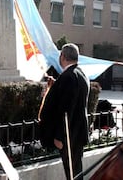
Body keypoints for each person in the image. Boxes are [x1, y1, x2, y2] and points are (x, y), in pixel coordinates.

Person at [38, 43, 90, 179]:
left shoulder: (68, 76)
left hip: (69, 134)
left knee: (72, 172)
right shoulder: (80, 73)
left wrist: (60, 137)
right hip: (77, 132)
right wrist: (56, 85)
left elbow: (66, 109)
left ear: (62, 56)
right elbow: (72, 98)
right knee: (75, 170)